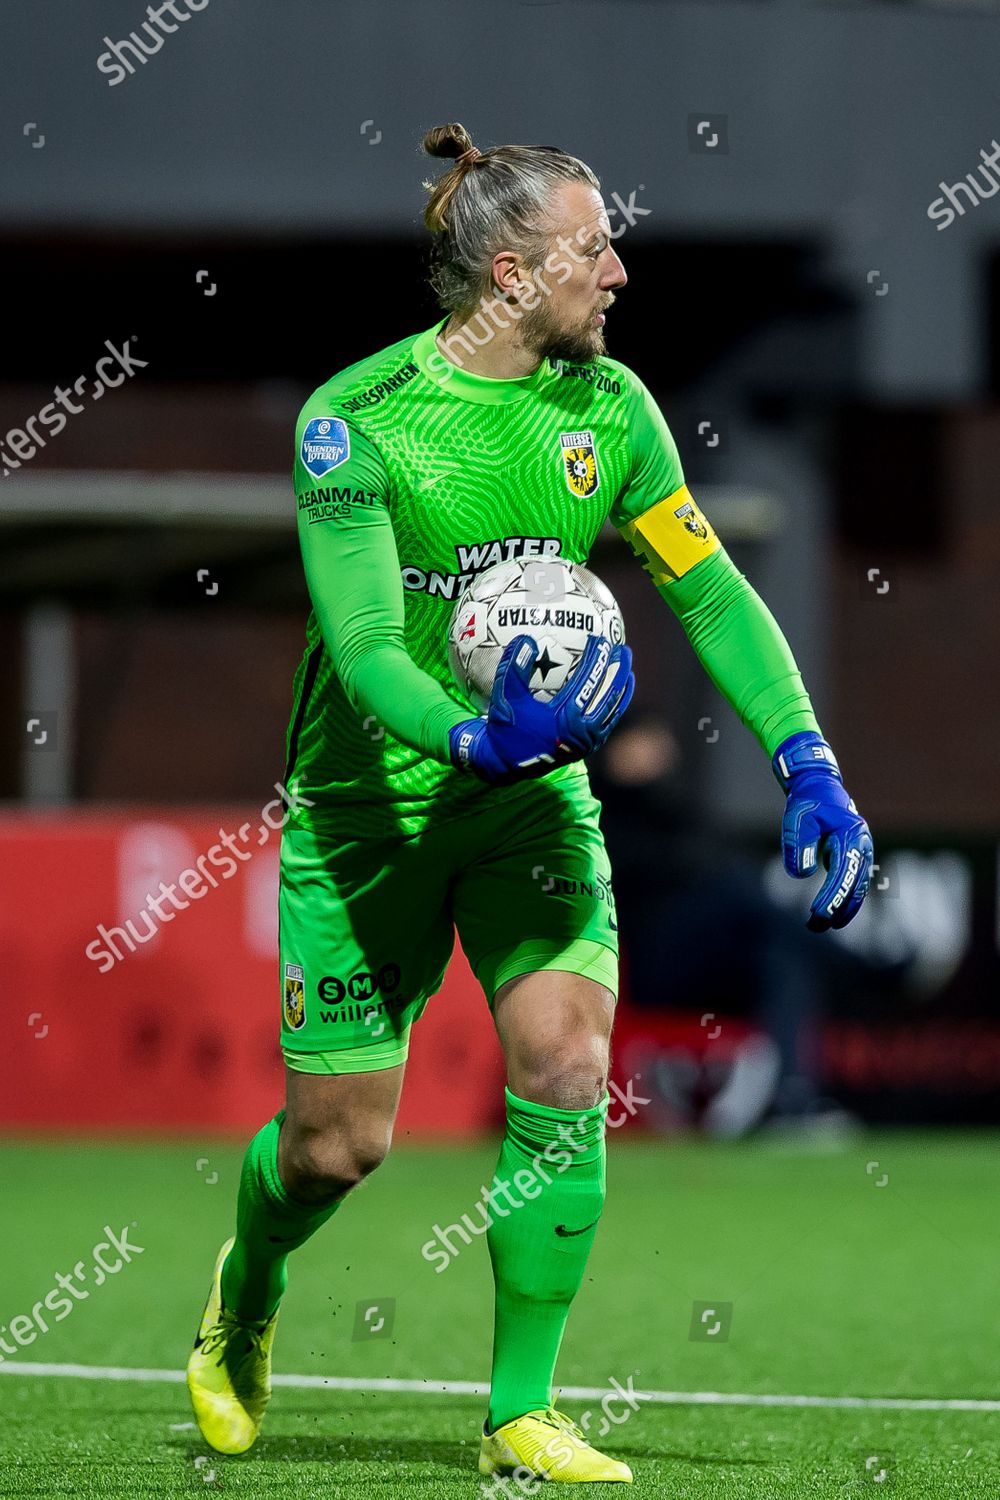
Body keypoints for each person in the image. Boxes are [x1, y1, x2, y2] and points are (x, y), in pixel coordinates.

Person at [186, 121, 873, 1485]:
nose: (617, 268)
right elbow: (370, 642)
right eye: (592, 245)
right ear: (509, 270)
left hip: (531, 813)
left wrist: (808, 758)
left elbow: (708, 586)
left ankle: (519, 1410)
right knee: (339, 1147)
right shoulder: (358, 422)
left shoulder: (610, 411)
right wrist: (466, 731)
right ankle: (244, 1297)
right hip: (369, 812)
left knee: (565, 1067)